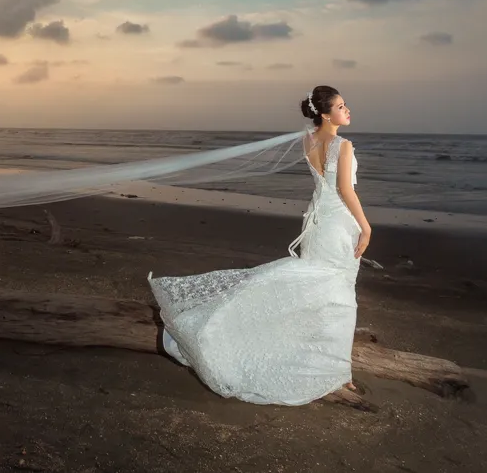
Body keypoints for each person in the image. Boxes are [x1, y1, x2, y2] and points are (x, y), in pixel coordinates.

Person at [147, 85, 371, 405]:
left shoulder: (308, 141)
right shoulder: (343, 145)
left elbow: (323, 185)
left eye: (345, 105)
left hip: (315, 224)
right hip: (337, 225)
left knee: (317, 287)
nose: (347, 110)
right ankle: (338, 372)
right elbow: (346, 191)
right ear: (325, 114)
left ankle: (325, 360)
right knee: (339, 296)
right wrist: (366, 227)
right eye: (340, 106)